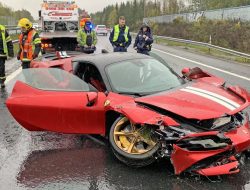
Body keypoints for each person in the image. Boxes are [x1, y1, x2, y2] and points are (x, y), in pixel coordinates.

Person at [0, 24, 14, 88]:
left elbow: (9, 41)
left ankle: (2, 81)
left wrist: (10, 52)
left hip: (2, 53)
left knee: (1, 68)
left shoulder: (3, 29)